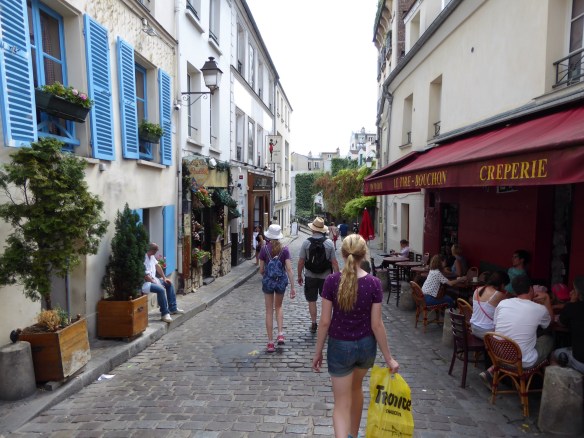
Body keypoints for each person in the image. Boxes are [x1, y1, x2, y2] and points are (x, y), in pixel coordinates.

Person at [312, 234, 399, 438]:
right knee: (356, 388)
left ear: (342, 254)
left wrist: (318, 352)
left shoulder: (332, 281)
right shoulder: (374, 283)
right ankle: (352, 434)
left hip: (340, 347)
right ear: (364, 255)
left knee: (341, 404)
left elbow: (324, 321)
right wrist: (389, 358)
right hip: (365, 347)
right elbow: (377, 324)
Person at [480, 275, 554, 386]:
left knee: (521, 338)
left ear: (515, 290)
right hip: (522, 362)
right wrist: (547, 299)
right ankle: (546, 384)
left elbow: (496, 329)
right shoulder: (539, 309)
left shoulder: (503, 303)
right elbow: (550, 322)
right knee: (548, 339)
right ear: (531, 289)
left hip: (498, 356)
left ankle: (492, 369)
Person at [298, 216, 339, 333]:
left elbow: (301, 262)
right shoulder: (329, 243)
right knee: (327, 300)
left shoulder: (306, 243)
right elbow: (334, 262)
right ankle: (327, 323)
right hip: (326, 277)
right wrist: (337, 277)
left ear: (312, 229)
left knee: (312, 300)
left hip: (310, 276)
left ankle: (313, 323)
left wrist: (299, 275)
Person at [259, 224, 296, 353]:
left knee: (269, 310)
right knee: (279, 307)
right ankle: (280, 334)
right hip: (281, 282)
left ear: (269, 236)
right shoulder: (285, 249)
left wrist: (267, 275)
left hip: (268, 282)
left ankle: (270, 343)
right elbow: (289, 269)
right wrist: (293, 287)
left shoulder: (264, 249)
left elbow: (261, 269)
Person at [142, 243, 184, 323]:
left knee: (169, 283)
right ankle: (164, 314)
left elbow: (158, 266)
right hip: (146, 283)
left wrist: (164, 278)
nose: (157, 252)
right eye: (156, 250)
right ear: (152, 250)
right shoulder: (144, 258)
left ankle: (173, 308)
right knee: (160, 289)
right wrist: (156, 283)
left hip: (153, 280)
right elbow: (146, 276)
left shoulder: (152, 257)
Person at [551, 276, 584, 373]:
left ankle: (562, 381)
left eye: (574, 289)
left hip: (580, 361)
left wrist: (571, 303)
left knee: (553, 355)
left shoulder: (572, 307)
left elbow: (561, 323)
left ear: (577, 293)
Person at [469, 271, 510, 339]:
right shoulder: (498, 295)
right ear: (502, 284)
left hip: (473, 328)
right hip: (486, 333)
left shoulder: (477, 290)